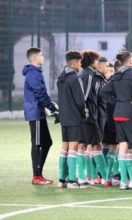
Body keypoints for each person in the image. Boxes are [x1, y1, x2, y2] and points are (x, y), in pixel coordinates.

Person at [101, 51, 132, 190]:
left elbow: (103, 92)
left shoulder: (116, 75)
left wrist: (117, 102)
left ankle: (123, 181)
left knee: (123, 145)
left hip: (117, 113)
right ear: (129, 62)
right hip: (130, 113)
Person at [23, 47, 58, 185]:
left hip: (39, 113)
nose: (43, 57)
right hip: (35, 114)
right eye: (41, 55)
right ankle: (36, 176)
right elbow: (40, 94)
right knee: (37, 144)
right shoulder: (33, 73)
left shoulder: (36, 72)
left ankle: (39, 174)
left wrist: (50, 107)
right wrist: (52, 108)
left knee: (47, 142)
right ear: (35, 58)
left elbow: (42, 93)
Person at [57, 50, 87, 188]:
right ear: (74, 62)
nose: (80, 64)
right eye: (79, 62)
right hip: (74, 117)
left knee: (65, 148)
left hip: (63, 117)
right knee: (73, 148)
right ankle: (72, 180)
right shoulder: (74, 78)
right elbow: (80, 101)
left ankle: (62, 179)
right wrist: (83, 113)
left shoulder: (61, 77)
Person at [78, 51, 108, 185]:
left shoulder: (83, 73)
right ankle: (104, 177)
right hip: (89, 115)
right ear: (92, 61)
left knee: (86, 145)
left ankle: (90, 176)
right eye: (96, 60)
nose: (98, 62)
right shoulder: (89, 75)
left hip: (88, 115)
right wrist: (85, 111)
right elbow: (84, 96)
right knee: (96, 145)